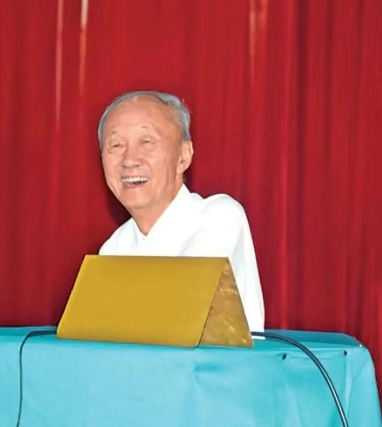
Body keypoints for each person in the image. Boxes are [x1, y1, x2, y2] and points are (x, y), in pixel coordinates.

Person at [98, 91, 264, 332]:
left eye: (146, 142)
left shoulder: (219, 218)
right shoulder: (114, 247)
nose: (129, 160)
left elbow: (176, 311)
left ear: (183, 156)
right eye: (116, 145)